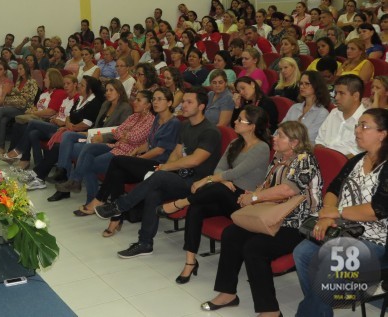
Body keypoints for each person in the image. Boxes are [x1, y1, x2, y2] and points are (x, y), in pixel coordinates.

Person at [201, 121, 322, 316]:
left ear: (294, 142)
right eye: (275, 133)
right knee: (232, 233)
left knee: (255, 248)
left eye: (280, 135)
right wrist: (253, 194)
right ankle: (228, 293)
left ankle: (270, 311)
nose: (274, 137)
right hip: (273, 216)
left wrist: (255, 198)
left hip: (298, 223)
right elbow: (268, 186)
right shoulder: (279, 157)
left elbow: (287, 190)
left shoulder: (305, 159)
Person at [95, 87, 222, 258]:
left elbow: (195, 160)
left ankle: (120, 205)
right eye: (183, 101)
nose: (183, 105)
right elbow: (176, 153)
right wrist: (166, 169)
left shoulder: (210, 131)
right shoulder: (185, 126)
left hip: (196, 182)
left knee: (159, 175)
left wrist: (165, 169)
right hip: (178, 176)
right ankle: (145, 243)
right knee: (155, 190)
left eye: (189, 102)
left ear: (201, 107)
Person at [159, 105, 270, 284]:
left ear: (252, 126)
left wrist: (209, 180)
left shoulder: (261, 148)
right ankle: (190, 261)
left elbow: (235, 172)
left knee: (214, 187)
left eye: (240, 119)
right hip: (226, 192)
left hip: (244, 201)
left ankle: (181, 203)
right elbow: (220, 168)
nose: (235, 121)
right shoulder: (236, 143)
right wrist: (222, 180)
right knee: (197, 208)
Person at [294, 108, 388, 317]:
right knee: (302, 253)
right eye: (357, 126)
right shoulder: (356, 160)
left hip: (374, 238)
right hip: (341, 228)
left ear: (382, 134)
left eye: (364, 126)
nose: (357, 131)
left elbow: (377, 210)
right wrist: (328, 213)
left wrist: (334, 214)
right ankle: (319, 308)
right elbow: (333, 189)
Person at [316, 75, 366, 157]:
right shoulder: (334, 113)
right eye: (336, 93)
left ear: (355, 96)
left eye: (341, 93)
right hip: (324, 160)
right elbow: (319, 142)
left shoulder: (366, 120)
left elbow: (359, 154)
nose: (336, 97)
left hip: (347, 166)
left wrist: (335, 160)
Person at [281, 71, 331, 143]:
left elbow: (309, 137)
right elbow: (281, 128)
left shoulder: (322, 113)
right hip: (286, 145)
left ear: (316, 85)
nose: (302, 86)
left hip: (304, 150)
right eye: (301, 83)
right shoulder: (294, 107)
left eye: (306, 84)